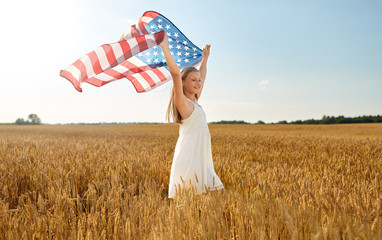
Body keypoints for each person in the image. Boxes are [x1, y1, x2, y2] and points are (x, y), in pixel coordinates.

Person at [158, 33, 225, 199]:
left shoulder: (194, 100)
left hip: (201, 155)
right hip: (190, 156)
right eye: (193, 80)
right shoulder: (183, 103)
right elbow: (175, 74)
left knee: (207, 193)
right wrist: (165, 47)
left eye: (199, 81)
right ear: (183, 83)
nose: (198, 83)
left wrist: (205, 58)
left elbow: (202, 74)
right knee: (190, 195)